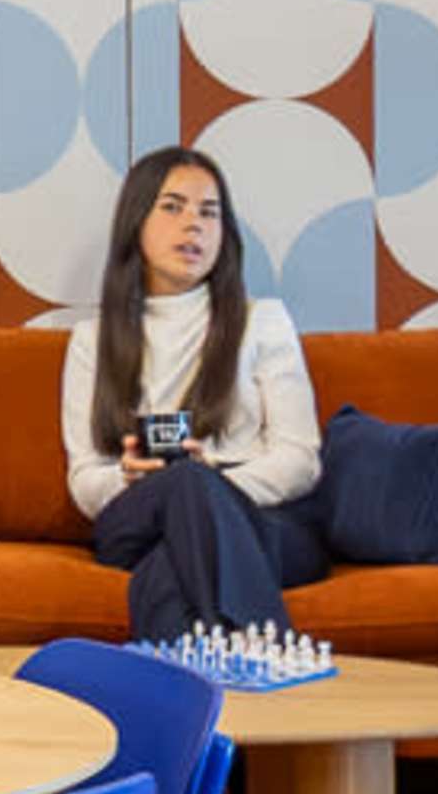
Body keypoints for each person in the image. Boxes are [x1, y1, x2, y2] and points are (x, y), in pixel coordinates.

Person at [59, 146, 327, 641]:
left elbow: (301, 459)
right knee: (182, 484)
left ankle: (177, 705)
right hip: (138, 511)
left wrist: (215, 490)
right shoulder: (91, 341)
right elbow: (84, 480)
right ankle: (265, 667)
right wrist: (127, 478)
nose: (194, 225)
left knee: (170, 560)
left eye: (209, 212)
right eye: (173, 207)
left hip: (259, 518)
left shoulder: (262, 322)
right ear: (135, 220)